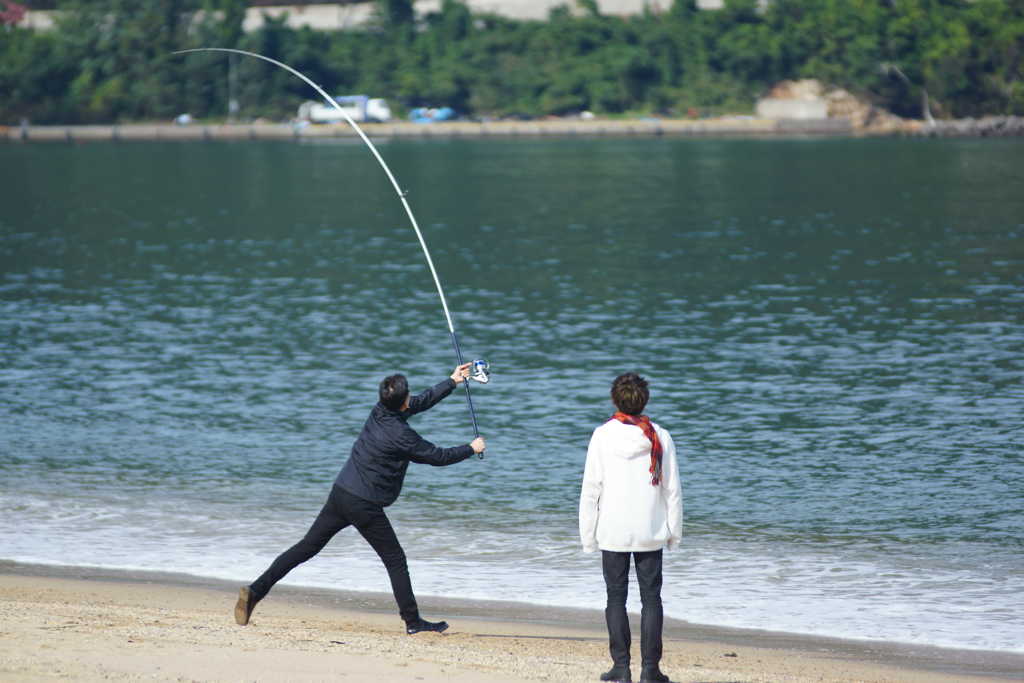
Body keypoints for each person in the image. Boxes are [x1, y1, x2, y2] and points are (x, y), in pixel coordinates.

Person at [234, 363, 486, 634]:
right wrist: (470, 449)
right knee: (395, 559)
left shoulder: (379, 411)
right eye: (407, 396)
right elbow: (438, 457)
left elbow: (418, 403)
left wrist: (451, 382)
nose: (410, 400)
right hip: (364, 504)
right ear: (401, 401)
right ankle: (413, 622)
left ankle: (256, 590)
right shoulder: (402, 436)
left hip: (342, 491)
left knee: (306, 547)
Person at [579, 373, 682, 683]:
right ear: (645, 401)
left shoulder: (602, 435)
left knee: (615, 599)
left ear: (615, 400)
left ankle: (621, 668)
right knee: (652, 600)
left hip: (612, 530)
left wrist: (588, 536)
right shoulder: (660, 435)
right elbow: (672, 490)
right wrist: (674, 533)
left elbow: (591, 490)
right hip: (650, 529)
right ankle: (650, 670)